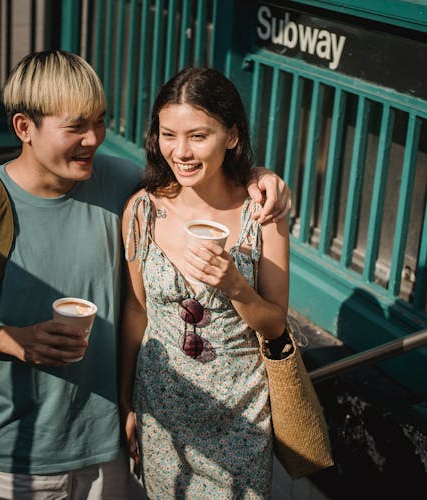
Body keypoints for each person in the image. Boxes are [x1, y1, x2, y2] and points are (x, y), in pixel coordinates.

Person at [0, 50, 290, 499]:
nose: (93, 139)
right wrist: (12, 339)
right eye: (75, 127)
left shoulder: (118, 182)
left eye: (99, 121)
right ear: (24, 128)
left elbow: (192, 175)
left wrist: (259, 176)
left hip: (110, 443)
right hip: (18, 450)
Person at [120, 66, 292, 498]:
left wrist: (235, 285)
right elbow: (137, 312)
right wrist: (125, 401)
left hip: (241, 418)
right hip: (161, 412)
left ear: (231, 136)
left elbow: (274, 324)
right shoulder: (142, 211)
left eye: (198, 135)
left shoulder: (263, 214)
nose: (180, 151)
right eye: (168, 134)